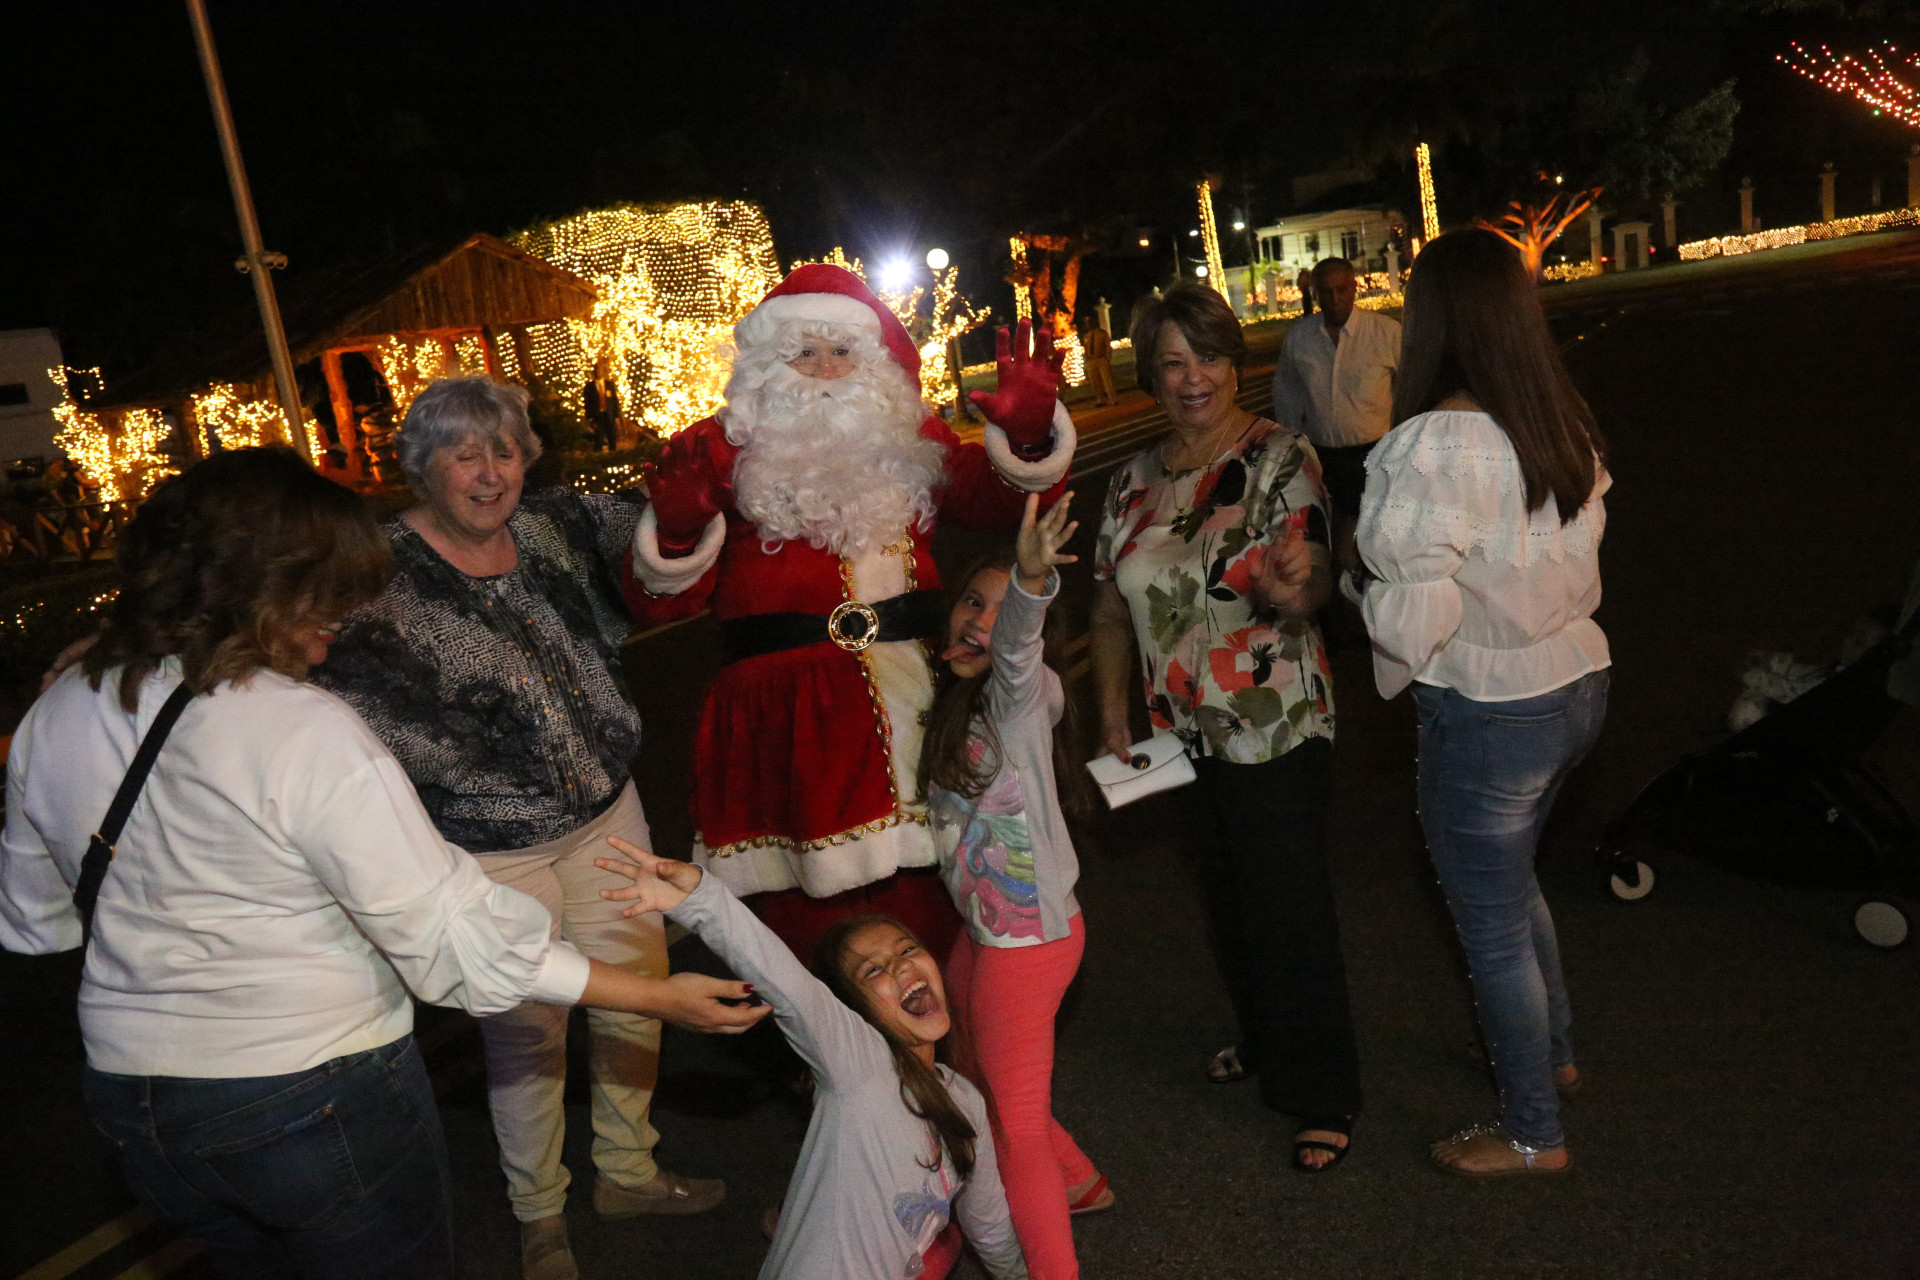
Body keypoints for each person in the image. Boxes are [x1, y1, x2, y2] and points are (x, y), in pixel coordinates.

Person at [0, 449, 769, 1280]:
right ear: (259, 585)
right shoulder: (302, 729)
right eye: (325, 590)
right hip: (312, 1092)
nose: (342, 615)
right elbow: (457, 943)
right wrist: (659, 997)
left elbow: (36, 921)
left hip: (137, 1110)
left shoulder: (59, 708)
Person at [311, 377, 705, 1280]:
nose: (490, 473)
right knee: (528, 1032)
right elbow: (267, 625)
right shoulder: (371, 569)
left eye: (505, 451)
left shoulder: (552, 526)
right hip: (489, 845)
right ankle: (540, 1214)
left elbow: (673, 520)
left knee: (637, 994)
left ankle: (628, 1170)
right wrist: (124, 649)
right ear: (422, 468)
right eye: (465, 455)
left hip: (606, 814)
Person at [627, 265, 1073, 966]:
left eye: (843, 351)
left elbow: (999, 508)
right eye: (805, 353)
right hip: (785, 721)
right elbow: (660, 600)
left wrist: (1028, 438)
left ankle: (946, 1033)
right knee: (802, 919)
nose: (827, 369)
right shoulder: (716, 449)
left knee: (938, 896)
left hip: (913, 700)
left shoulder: (910, 436)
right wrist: (676, 535)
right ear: (768, 366)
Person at [1347, 227, 1610, 1177]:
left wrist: (1348, 589)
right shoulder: (1554, 418)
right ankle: (1551, 1053)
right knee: (1514, 887)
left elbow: (1414, 618)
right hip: (1575, 683)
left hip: (1495, 708)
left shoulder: (1438, 442)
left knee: (1492, 926)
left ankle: (1534, 1133)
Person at [1089, 282, 1362, 1171]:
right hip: (1177, 729)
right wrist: (1112, 715)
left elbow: (1310, 570)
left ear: (1232, 361)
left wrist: (1296, 586)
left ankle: (1322, 1091)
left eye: (1206, 356)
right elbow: (1108, 605)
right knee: (1227, 898)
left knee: (1287, 906)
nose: (1191, 377)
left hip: (1272, 720)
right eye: (1171, 362)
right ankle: (1267, 1038)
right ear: (1150, 376)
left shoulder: (1280, 455)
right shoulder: (1132, 480)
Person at [592, 841, 1029, 1280]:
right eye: (873, 971)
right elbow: (787, 984)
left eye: (907, 950)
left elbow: (990, 1225)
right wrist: (702, 899)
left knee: (945, 1250)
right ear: (853, 1014)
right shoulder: (863, 1069)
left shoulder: (964, 1101)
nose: (900, 967)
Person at [924, 494, 1109, 1278]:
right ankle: (1081, 1183)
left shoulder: (1019, 702)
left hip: (1027, 943)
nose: (982, 620)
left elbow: (1018, 656)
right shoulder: (953, 704)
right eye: (974, 600)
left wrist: (1029, 590)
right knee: (971, 1073)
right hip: (987, 933)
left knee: (1013, 1131)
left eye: (1000, 612)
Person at [1271, 256, 1401, 576]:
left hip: (1376, 455)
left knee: (1380, 539)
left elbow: (1410, 384)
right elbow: (1287, 391)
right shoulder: (1300, 339)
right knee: (1331, 541)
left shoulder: (1384, 333)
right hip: (1324, 457)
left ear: (1354, 288)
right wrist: (1293, 443)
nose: (1335, 298)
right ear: (1315, 294)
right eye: (1326, 292)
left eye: (1341, 289)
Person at [583, 358, 620, 452]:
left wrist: (616, 416)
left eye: (599, 370)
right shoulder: (589, 387)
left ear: (603, 371)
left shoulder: (609, 385)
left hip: (609, 415)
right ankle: (598, 456)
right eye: (596, 371)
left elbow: (614, 401)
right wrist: (590, 419)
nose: (598, 372)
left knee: (612, 437)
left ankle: (613, 454)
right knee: (599, 439)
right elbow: (587, 404)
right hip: (597, 416)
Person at [1080, 317, 1116, 407]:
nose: (1088, 325)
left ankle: (1112, 398)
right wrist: (1087, 359)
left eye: (1089, 323)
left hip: (1101, 359)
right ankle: (1100, 399)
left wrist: (1107, 358)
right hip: (1091, 361)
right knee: (1095, 382)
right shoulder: (1087, 336)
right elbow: (1086, 348)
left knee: (1106, 380)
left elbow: (1108, 347)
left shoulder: (1102, 334)